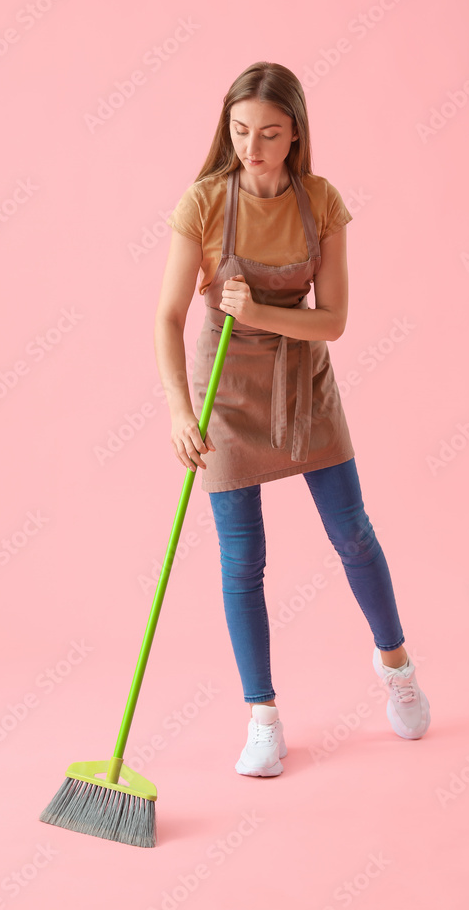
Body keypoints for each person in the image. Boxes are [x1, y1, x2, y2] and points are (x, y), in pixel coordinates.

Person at [154, 61, 430, 777]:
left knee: (352, 535)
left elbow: (332, 322)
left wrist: (261, 311)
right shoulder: (205, 203)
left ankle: (395, 665)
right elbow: (167, 315)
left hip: (303, 385)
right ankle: (263, 717)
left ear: (296, 134)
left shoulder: (321, 201)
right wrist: (181, 413)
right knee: (242, 563)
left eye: (269, 133)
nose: (252, 146)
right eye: (240, 131)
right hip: (223, 397)